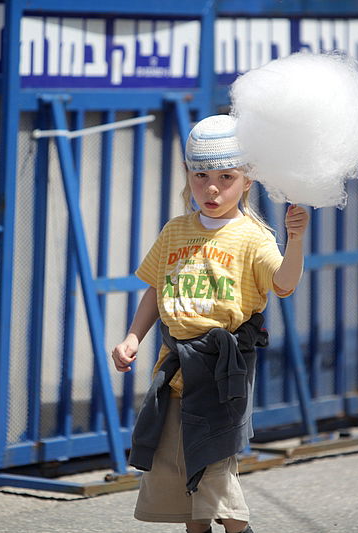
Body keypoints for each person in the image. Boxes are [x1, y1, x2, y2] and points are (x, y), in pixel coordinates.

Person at [111, 114, 309, 533]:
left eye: (226, 176)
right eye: (200, 175)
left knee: (216, 475)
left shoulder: (254, 236)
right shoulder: (175, 230)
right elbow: (155, 290)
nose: (212, 187)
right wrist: (132, 336)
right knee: (185, 484)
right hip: (174, 370)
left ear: (248, 179)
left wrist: (296, 240)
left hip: (223, 373)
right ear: (188, 175)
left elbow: (284, 283)